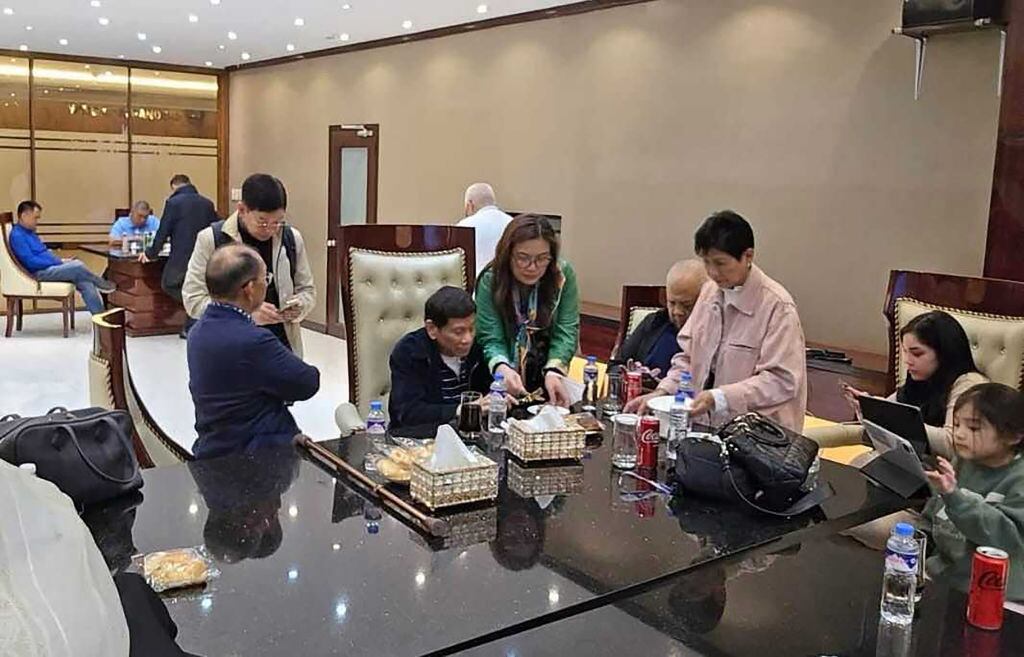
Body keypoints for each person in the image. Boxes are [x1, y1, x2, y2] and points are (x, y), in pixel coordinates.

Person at [626, 210, 807, 432]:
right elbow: (687, 358)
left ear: (748, 256)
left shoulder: (777, 307)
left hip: (760, 438)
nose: (713, 272)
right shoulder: (710, 292)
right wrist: (662, 392)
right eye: (707, 263)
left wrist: (721, 397)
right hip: (706, 428)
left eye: (720, 263)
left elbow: (781, 381)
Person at [187, 243, 320, 459]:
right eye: (265, 279)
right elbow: (307, 382)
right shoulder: (253, 340)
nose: (266, 285)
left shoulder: (197, 331)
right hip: (256, 458)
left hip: (213, 447)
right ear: (249, 288)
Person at [182, 173, 316, 357]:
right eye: (262, 222)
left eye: (277, 222)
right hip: (229, 350)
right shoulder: (211, 239)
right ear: (242, 209)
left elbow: (307, 290)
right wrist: (243, 314)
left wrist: (300, 306)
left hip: (281, 347)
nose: (270, 229)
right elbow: (193, 299)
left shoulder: (291, 239)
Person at [922, 383, 1024, 601]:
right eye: (956, 424)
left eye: (974, 428)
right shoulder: (963, 462)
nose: (958, 434)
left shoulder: (1018, 479)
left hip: (993, 594)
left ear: (1013, 436)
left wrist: (954, 497)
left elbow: (1006, 539)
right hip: (943, 577)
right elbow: (932, 516)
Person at [840, 311, 987, 459]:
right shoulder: (920, 377)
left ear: (944, 353)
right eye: (905, 352)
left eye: (917, 354)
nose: (907, 361)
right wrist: (868, 407)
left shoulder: (970, 384)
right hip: (909, 463)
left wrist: (893, 419)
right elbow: (892, 410)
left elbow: (952, 444)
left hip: (946, 476)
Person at [475, 214, 580, 406]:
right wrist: (502, 367)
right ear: (508, 254)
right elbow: (490, 336)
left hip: (546, 375)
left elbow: (566, 330)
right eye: (523, 258)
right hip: (497, 378)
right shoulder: (490, 280)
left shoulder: (562, 276)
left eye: (542, 258)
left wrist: (554, 370)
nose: (532, 267)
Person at [388, 286, 492, 432]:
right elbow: (408, 413)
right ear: (432, 329)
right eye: (458, 332)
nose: (467, 339)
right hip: (420, 440)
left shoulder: (477, 347)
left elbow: (488, 389)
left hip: (470, 436)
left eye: (471, 329)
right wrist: (461, 410)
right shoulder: (410, 352)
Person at [142, 174, 219, 338]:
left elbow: (163, 231)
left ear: (174, 186)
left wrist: (150, 253)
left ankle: (199, 315)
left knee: (168, 284)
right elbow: (216, 227)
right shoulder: (207, 203)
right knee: (198, 288)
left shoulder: (173, 203)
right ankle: (194, 322)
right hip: (205, 255)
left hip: (181, 256)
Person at [8, 200, 116, 314]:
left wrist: (62, 261)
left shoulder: (30, 232)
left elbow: (44, 253)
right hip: (38, 273)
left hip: (48, 267)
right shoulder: (18, 236)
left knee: (84, 281)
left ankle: (100, 319)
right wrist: (57, 262)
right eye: (35, 218)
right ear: (24, 215)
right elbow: (31, 262)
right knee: (78, 266)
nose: (37, 222)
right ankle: (102, 284)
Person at [616, 259, 707, 376]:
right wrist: (632, 376)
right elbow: (616, 366)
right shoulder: (655, 322)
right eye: (672, 303)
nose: (677, 312)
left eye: (686, 305)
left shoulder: (713, 334)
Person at [457, 182, 513, 276]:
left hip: (475, 285)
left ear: (470, 205)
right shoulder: (512, 223)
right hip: (506, 283)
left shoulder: (464, 226)